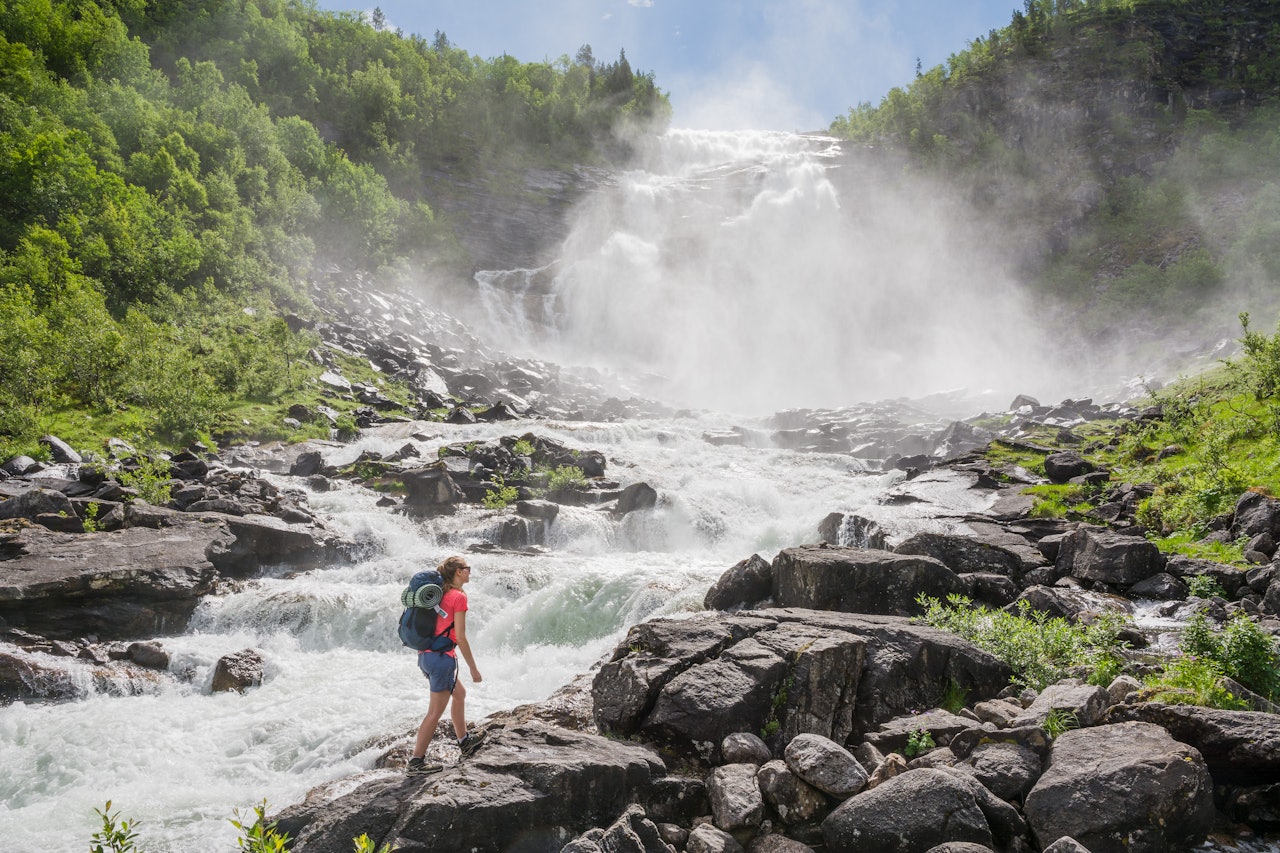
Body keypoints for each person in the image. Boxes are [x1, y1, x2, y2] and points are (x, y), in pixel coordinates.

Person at [407, 555, 485, 776]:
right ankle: (416, 762)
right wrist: (473, 668)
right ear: (458, 572)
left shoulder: (439, 594)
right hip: (441, 659)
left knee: (459, 694)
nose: (470, 571)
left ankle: (464, 740)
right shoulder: (458, 597)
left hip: (426, 656)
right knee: (434, 712)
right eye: (467, 568)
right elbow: (460, 637)